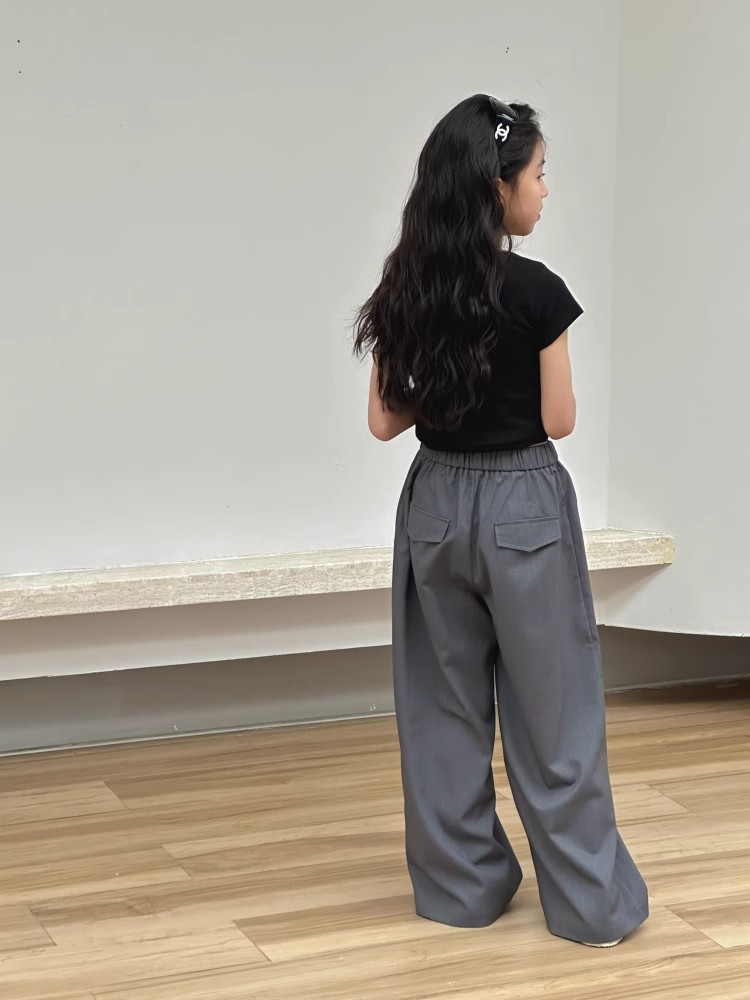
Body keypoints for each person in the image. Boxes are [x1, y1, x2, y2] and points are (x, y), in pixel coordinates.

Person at [352, 94, 649, 947]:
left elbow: (384, 422)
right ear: (497, 186)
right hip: (525, 508)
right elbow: (559, 420)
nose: (546, 189)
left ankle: (461, 891)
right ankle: (589, 908)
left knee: (441, 706)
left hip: (435, 506)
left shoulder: (408, 288)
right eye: (540, 173)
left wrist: (451, 387)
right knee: (555, 712)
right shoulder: (539, 292)